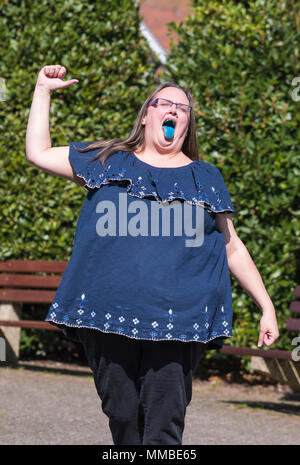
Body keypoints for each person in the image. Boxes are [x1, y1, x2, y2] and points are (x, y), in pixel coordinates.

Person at [26, 64, 279, 446]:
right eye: (164, 103)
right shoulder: (107, 160)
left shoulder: (205, 177)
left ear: (187, 125)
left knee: (163, 429)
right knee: (124, 419)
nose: (174, 110)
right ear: (147, 116)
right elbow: (38, 153)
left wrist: (267, 306)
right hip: (107, 316)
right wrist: (43, 90)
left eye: (183, 108)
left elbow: (232, 246)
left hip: (177, 322)